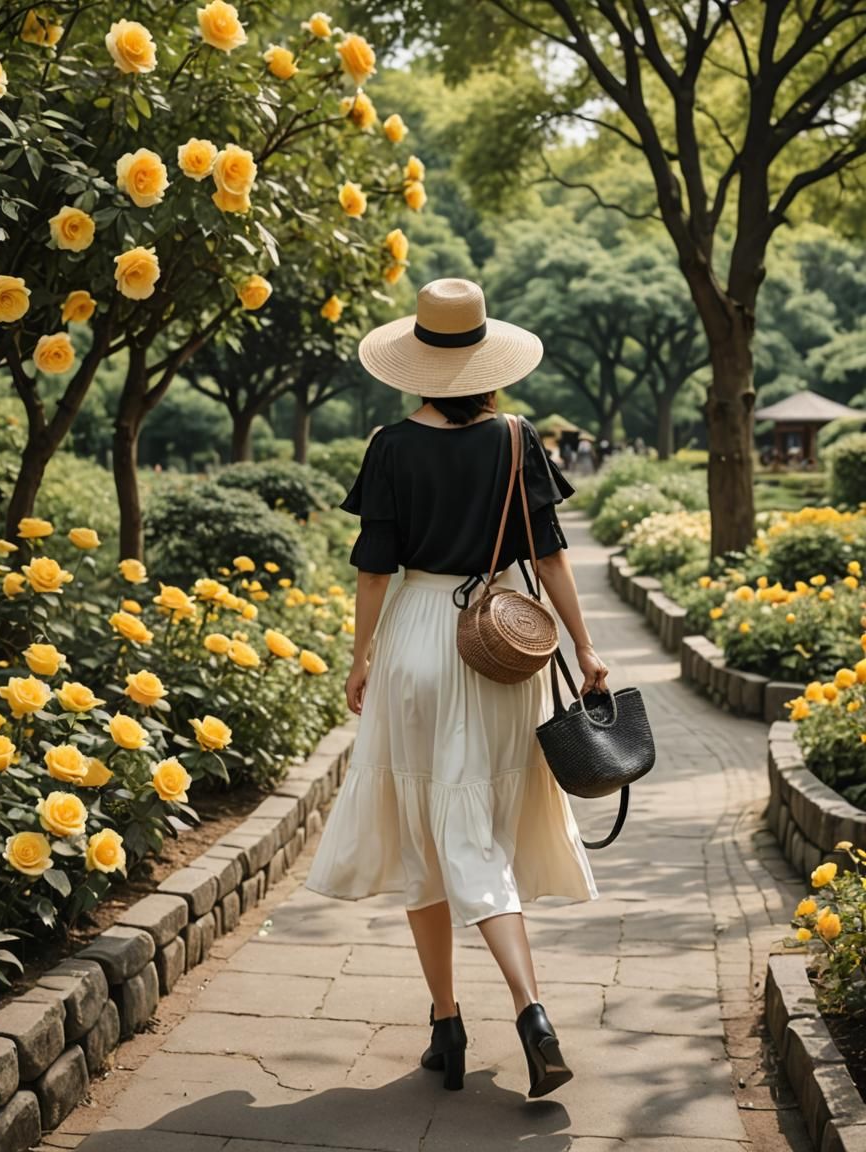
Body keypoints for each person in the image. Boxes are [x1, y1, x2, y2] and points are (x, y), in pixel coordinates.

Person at [304, 279, 608, 1100]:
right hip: (506, 647)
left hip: (417, 646)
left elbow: (375, 568)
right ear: (487, 362)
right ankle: (508, 1013)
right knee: (477, 828)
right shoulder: (517, 439)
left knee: (426, 837)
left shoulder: (391, 446)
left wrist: (360, 656)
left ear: (419, 365)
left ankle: (468, 1017)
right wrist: (583, 647)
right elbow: (550, 556)